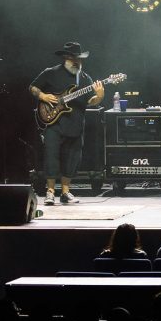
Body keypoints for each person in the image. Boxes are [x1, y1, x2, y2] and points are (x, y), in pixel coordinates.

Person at [30, 41, 106, 205]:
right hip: (53, 123)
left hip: (75, 124)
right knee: (51, 156)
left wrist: (99, 96)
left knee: (72, 158)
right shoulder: (51, 73)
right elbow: (33, 87)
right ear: (65, 57)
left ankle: (65, 192)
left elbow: (90, 101)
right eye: (74, 58)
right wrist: (43, 96)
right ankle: (50, 192)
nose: (77, 61)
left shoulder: (85, 78)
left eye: (79, 58)